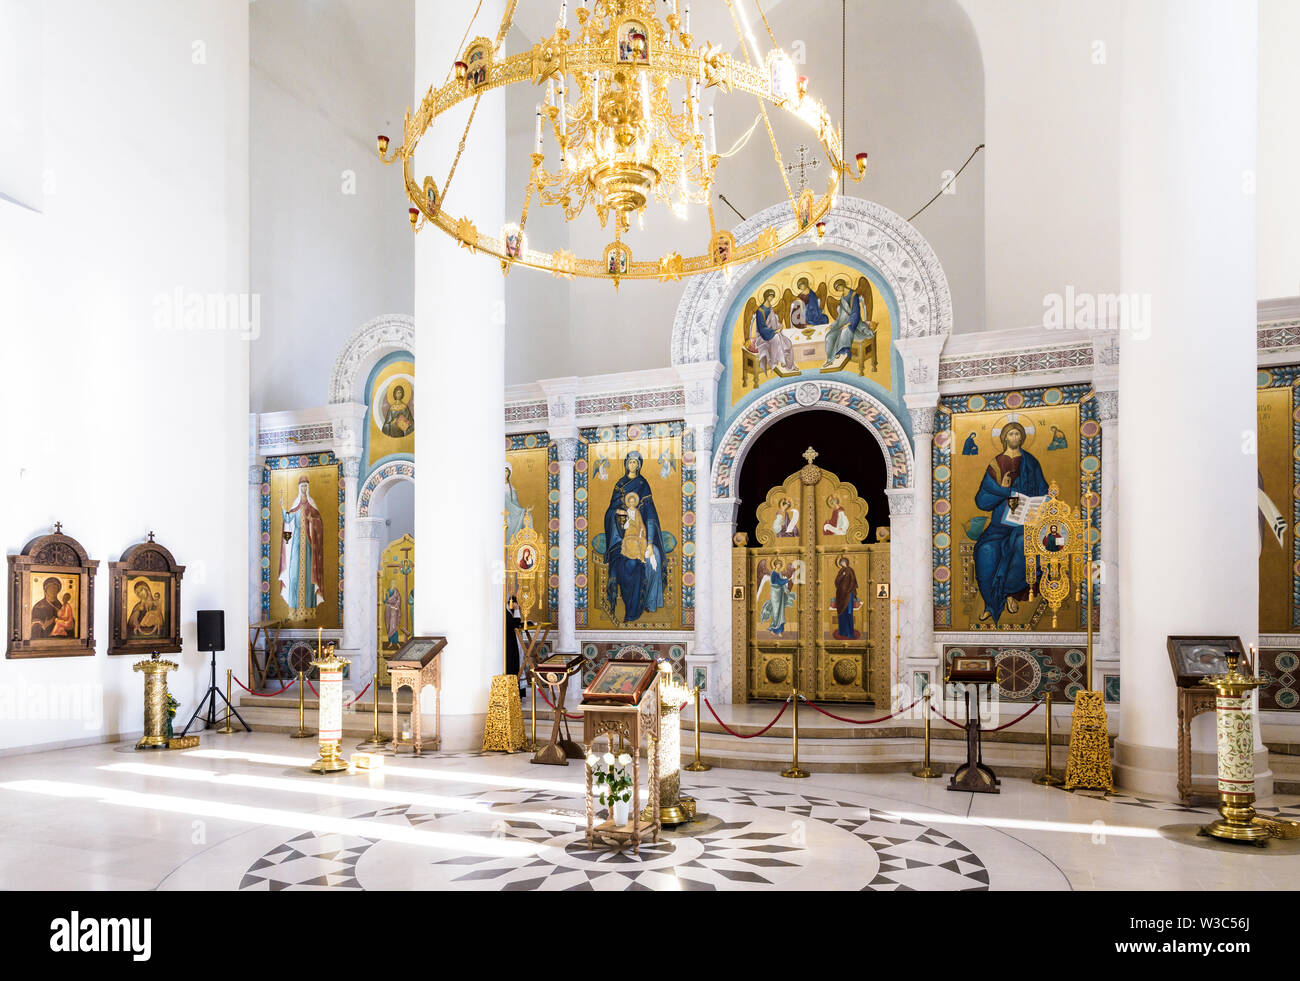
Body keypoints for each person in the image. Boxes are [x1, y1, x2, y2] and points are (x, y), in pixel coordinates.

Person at [972, 421, 1049, 625]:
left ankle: (1009, 594)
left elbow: (1043, 489)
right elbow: (982, 500)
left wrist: (1043, 502)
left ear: (1022, 438)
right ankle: (991, 603)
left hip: (1026, 522)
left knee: (1022, 545)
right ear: (1004, 437)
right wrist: (1003, 488)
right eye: (1011, 434)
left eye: (1017, 434)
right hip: (999, 524)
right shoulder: (996, 464)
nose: (1014, 438)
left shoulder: (1031, 462)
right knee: (986, 551)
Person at [603, 451, 668, 623]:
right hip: (619, 540)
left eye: (635, 462)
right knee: (628, 566)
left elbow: (651, 517)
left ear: (639, 465)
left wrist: (649, 543)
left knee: (654, 559)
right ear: (626, 464)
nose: (632, 465)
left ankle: (649, 602)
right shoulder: (620, 485)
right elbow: (609, 512)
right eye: (630, 462)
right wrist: (616, 512)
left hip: (641, 539)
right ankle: (630, 609)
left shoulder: (642, 484)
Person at [280, 475, 325, 616]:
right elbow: (288, 518)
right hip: (296, 544)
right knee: (294, 574)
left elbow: (319, 522)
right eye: (302, 486)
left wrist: (313, 521)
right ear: (299, 488)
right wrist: (282, 507)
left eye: (306, 486)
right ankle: (294, 610)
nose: (304, 488)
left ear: (308, 488)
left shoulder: (312, 505)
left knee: (309, 576)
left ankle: (309, 610)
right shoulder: (296, 505)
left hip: (308, 544)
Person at [821, 278, 873, 369]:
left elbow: (856, 313)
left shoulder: (853, 295)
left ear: (842, 285)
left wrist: (850, 324)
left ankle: (840, 352)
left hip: (855, 324)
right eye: (837, 289)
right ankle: (830, 359)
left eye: (838, 287)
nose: (838, 290)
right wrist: (832, 326)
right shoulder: (842, 297)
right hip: (843, 322)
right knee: (830, 336)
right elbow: (841, 315)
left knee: (845, 332)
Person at [747, 289, 797, 375]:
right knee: (777, 339)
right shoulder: (760, 311)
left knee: (788, 343)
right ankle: (777, 362)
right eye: (770, 296)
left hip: (773, 332)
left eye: (772, 297)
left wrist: (779, 327)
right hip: (763, 336)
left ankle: (790, 366)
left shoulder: (770, 308)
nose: (771, 298)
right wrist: (773, 331)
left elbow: (773, 321)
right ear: (766, 297)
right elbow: (761, 328)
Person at [758, 558, 796, 636]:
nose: (779, 566)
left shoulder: (779, 574)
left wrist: (786, 590)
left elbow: (781, 583)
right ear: (775, 565)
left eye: (780, 565)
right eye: (778, 564)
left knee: (781, 612)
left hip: (780, 594)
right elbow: (776, 582)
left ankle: (780, 630)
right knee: (776, 612)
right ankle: (774, 629)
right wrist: (787, 580)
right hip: (775, 595)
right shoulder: (773, 574)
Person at [831, 557, 860, 640]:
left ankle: (849, 633)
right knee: (841, 613)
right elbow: (836, 582)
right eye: (841, 563)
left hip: (848, 595)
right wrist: (842, 576)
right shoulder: (841, 571)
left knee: (848, 613)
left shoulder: (850, 571)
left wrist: (848, 590)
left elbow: (853, 582)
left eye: (843, 562)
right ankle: (842, 631)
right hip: (840, 595)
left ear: (846, 562)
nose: (842, 564)